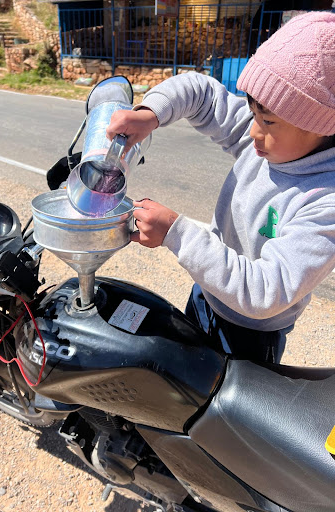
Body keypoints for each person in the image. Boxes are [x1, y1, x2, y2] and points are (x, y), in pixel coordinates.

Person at [106, 11, 335, 363]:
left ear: (319, 125)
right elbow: (202, 93)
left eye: (268, 121)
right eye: (252, 112)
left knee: (219, 413)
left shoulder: (324, 202)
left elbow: (264, 292)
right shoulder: (269, 138)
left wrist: (175, 233)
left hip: (250, 335)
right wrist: (150, 113)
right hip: (209, 291)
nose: (253, 131)